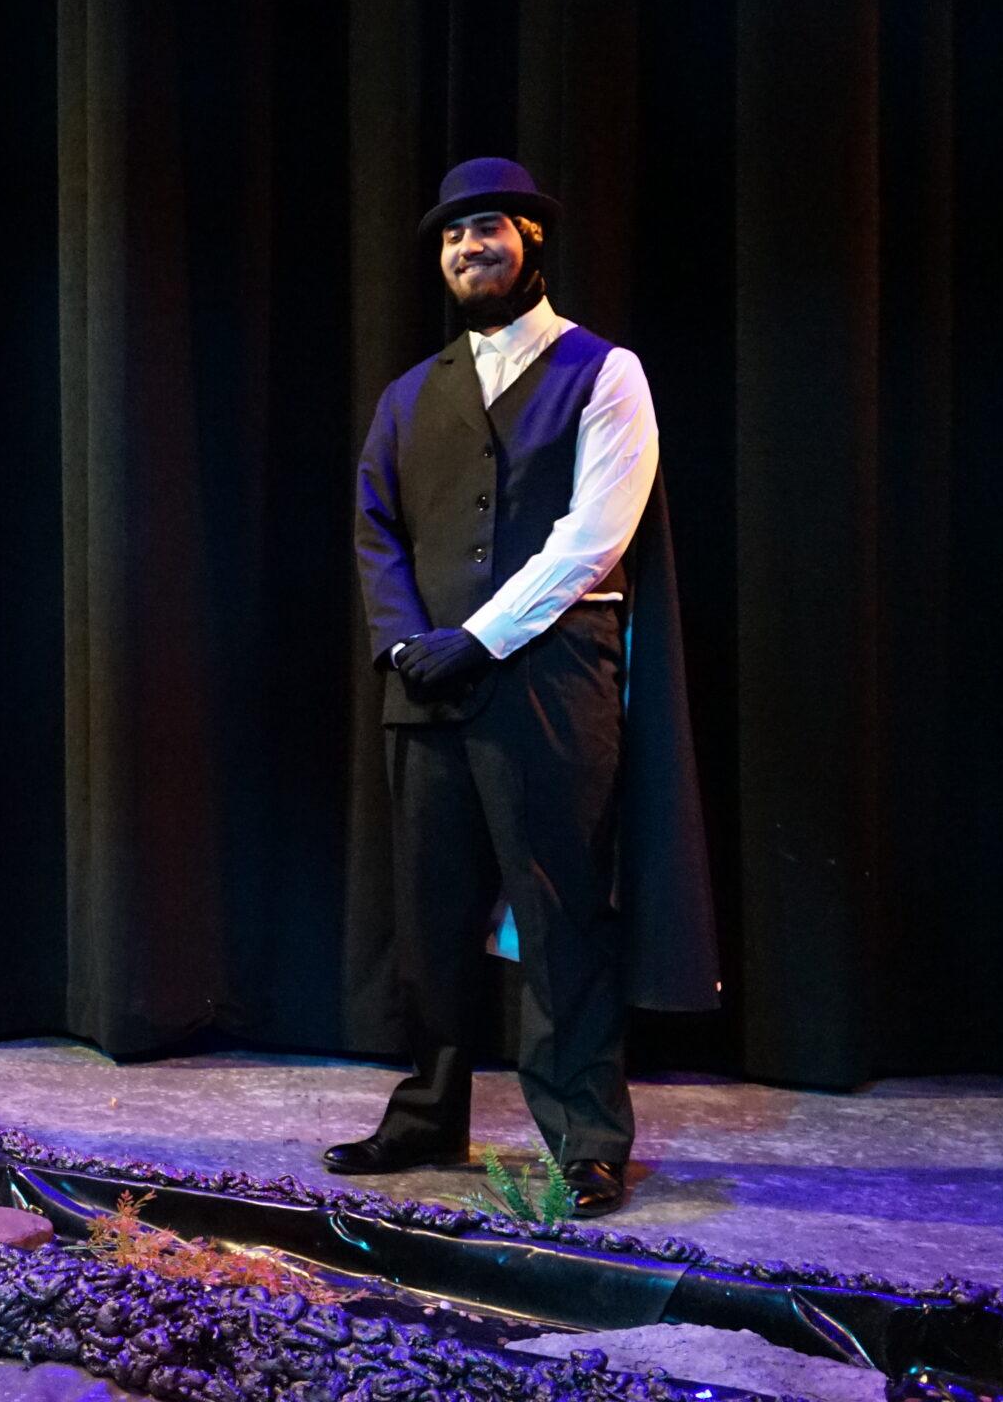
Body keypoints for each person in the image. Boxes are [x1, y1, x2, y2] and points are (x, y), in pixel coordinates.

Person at [334, 159, 718, 1216]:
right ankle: (427, 1114)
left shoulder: (604, 372)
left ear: (531, 242)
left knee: (559, 914)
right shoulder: (409, 394)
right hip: (427, 685)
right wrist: (404, 646)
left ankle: (585, 1138)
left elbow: (595, 535)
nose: (470, 248)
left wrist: (480, 637)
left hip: (550, 680)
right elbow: (376, 527)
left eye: (489, 229)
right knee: (430, 916)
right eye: (453, 236)